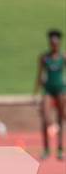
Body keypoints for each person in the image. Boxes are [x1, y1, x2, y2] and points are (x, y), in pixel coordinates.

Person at [34, 29, 65, 160]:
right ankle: (46, 149)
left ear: (59, 44)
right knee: (46, 118)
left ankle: (60, 149)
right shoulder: (44, 57)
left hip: (60, 90)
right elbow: (40, 74)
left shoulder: (63, 57)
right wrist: (35, 92)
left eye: (56, 43)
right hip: (48, 90)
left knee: (61, 118)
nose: (54, 45)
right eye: (52, 43)